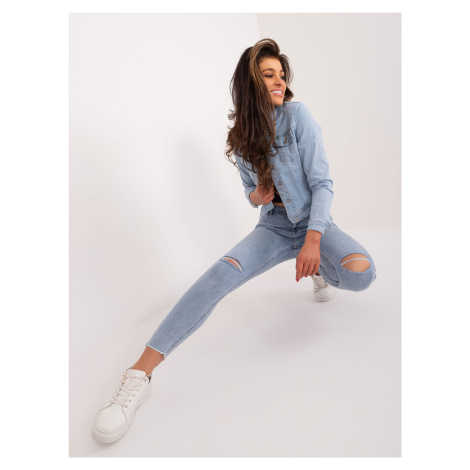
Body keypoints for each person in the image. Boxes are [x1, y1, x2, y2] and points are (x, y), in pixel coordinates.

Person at [91, 38, 377, 444]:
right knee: (217, 276)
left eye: (281, 75)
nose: (279, 81)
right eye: (268, 75)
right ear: (250, 83)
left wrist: (314, 239)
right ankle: (139, 375)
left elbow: (323, 183)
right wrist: (257, 195)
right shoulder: (241, 137)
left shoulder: (297, 116)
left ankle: (319, 269)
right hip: (274, 228)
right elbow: (250, 193)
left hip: (315, 223)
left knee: (361, 273)